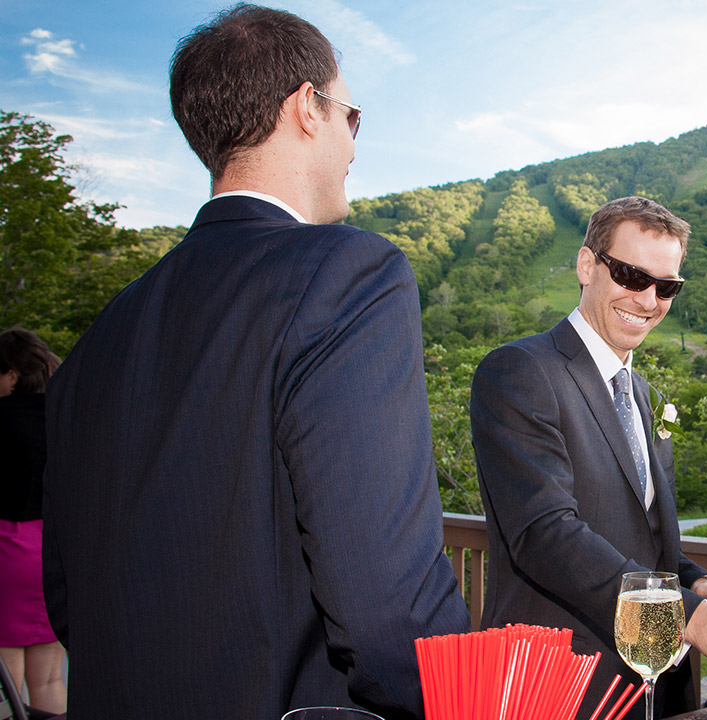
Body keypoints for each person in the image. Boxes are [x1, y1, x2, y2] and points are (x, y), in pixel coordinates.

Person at [42, 5, 471, 718]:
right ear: (308, 107)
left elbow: (68, 600)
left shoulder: (99, 339)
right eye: (352, 118)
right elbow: (389, 610)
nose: (355, 149)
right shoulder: (349, 275)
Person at [471, 196, 707, 719]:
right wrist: (687, 618)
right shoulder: (521, 370)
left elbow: (643, 532)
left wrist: (695, 578)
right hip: (562, 681)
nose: (648, 299)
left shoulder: (641, 393)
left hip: (653, 682)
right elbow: (544, 533)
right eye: (631, 275)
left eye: (666, 286)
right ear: (587, 266)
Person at [0, 328, 66, 715]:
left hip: (7, 549)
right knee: (49, 678)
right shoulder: (63, 412)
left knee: (8, 677)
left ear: (11, 374)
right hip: (54, 553)